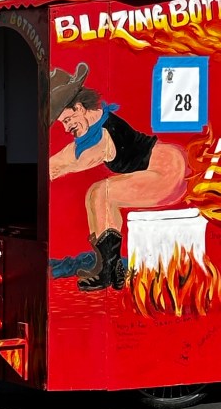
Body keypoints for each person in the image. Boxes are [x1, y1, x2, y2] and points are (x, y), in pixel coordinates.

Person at [49, 63, 186, 292]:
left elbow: (79, 159)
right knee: (95, 195)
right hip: (161, 168)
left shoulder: (105, 133)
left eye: (67, 120)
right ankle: (109, 267)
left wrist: (54, 171)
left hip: (167, 170)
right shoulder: (94, 127)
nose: (66, 128)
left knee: (102, 193)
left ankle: (108, 271)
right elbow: (66, 157)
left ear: (79, 108)